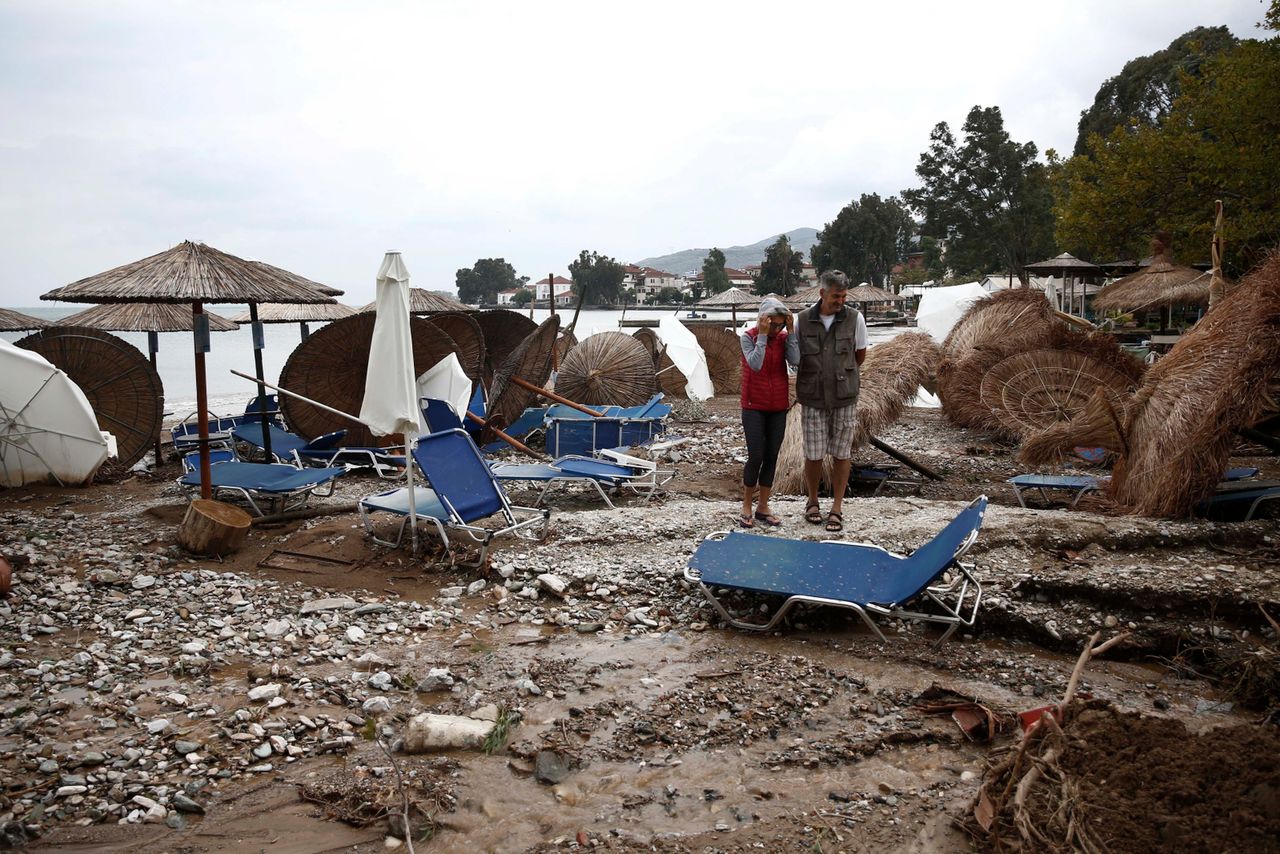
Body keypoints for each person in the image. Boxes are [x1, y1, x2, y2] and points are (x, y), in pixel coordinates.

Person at [795, 270, 867, 532]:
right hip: (812, 397)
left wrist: (840, 375)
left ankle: (837, 508)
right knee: (813, 455)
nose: (840, 301)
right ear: (822, 293)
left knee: (841, 454)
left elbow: (859, 356)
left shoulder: (855, 319)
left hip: (844, 397)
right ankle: (812, 501)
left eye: (844, 296)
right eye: (836, 296)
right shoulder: (801, 320)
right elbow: (795, 355)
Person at [738, 297, 799, 528]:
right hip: (753, 406)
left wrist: (791, 333)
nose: (777, 329)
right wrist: (762, 335)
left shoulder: (784, 338)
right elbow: (755, 364)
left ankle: (763, 506)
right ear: (763, 319)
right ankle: (746, 505)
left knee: (772, 456)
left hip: (777, 407)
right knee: (756, 456)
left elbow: (795, 362)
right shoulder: (748, 337)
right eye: (774, 324)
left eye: (781, 325)